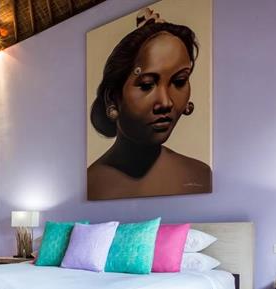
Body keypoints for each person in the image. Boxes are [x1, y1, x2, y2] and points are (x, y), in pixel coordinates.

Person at [88, 9, 211, 200]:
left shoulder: (200, 176)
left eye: (179, 81)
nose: (166, 102)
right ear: (112, 98)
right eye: (146, 85)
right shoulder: (90, 184)